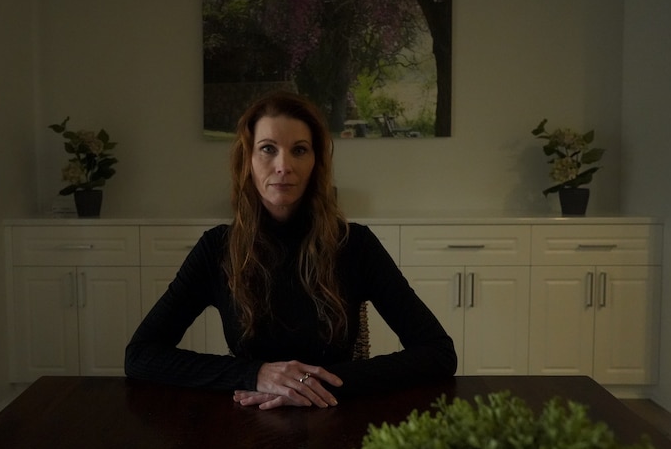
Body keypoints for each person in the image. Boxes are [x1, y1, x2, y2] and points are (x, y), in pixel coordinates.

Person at [125, 92, 457, 410]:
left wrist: (316, 383)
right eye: (268, 149)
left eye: (299, 150)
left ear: (316, 163)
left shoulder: (355, 244)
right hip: (248, 424)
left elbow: (438, 352)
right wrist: (255, 375)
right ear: (248, 160)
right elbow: (140, 355)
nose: (283, 165)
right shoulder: (217, 248)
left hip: (337, 415)